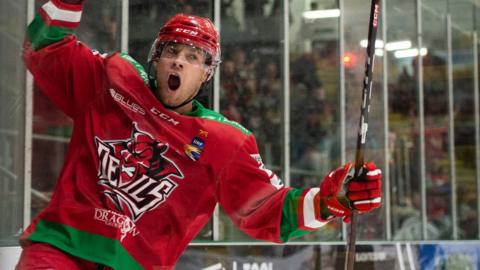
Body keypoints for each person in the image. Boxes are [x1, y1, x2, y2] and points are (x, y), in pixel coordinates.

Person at [17, 0, 383, 269]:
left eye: (193, 57)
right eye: (172, 51)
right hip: (60, 248)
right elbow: (48, 49)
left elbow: (267, 209)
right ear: (156, 59)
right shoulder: (112, 80)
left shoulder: (224, 142)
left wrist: (330, 201)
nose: (179, 61)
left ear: (207, 73)